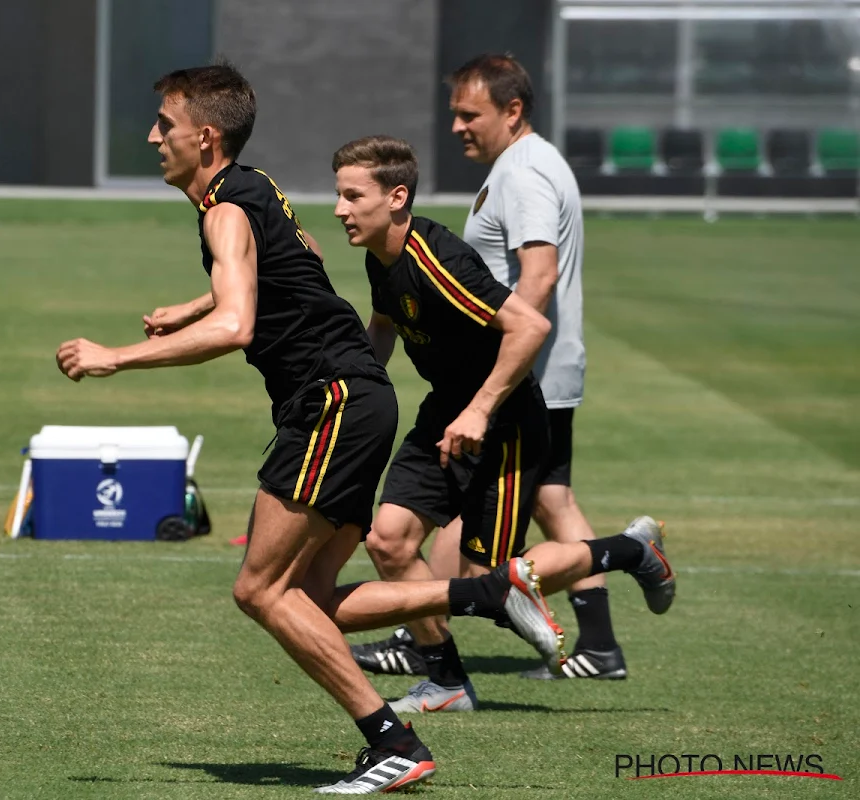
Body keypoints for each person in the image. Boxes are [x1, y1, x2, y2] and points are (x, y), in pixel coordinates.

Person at [56, 62, 557, 795]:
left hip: (328, 403)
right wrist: (193, 305)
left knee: (259, 591)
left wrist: (116, 359)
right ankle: (485, 594)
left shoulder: (225, 209)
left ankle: (392, 739)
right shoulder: (256, 189)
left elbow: (239, 324)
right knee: (311, 602)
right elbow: (304, 261)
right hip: (361, 397)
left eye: (164, 125)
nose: (152, 136)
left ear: (204, 136)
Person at [332, 135, 675, 714]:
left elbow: (530, 329)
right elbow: (385, 323)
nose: (340, 209)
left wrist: (481, 408)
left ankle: (633, 550)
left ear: (395, 197)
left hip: (506, 420)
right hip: (446, 411)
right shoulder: (380, 258)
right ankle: (446, 683)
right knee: (388, 540)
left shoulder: (439, 259)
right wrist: (355, 390)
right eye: (339, 195)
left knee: (488, 578)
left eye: (351, 195)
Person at [354, 54, 633, 684]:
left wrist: (491, 386)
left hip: (515, 380)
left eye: (468, 114)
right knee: (544, 501)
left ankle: (627, 562)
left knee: (499, 536)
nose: (456, 126)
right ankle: (595, 641)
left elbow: (536, 281)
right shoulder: (520, 167)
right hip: (502, 379)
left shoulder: (525, 173)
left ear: (512, 111)